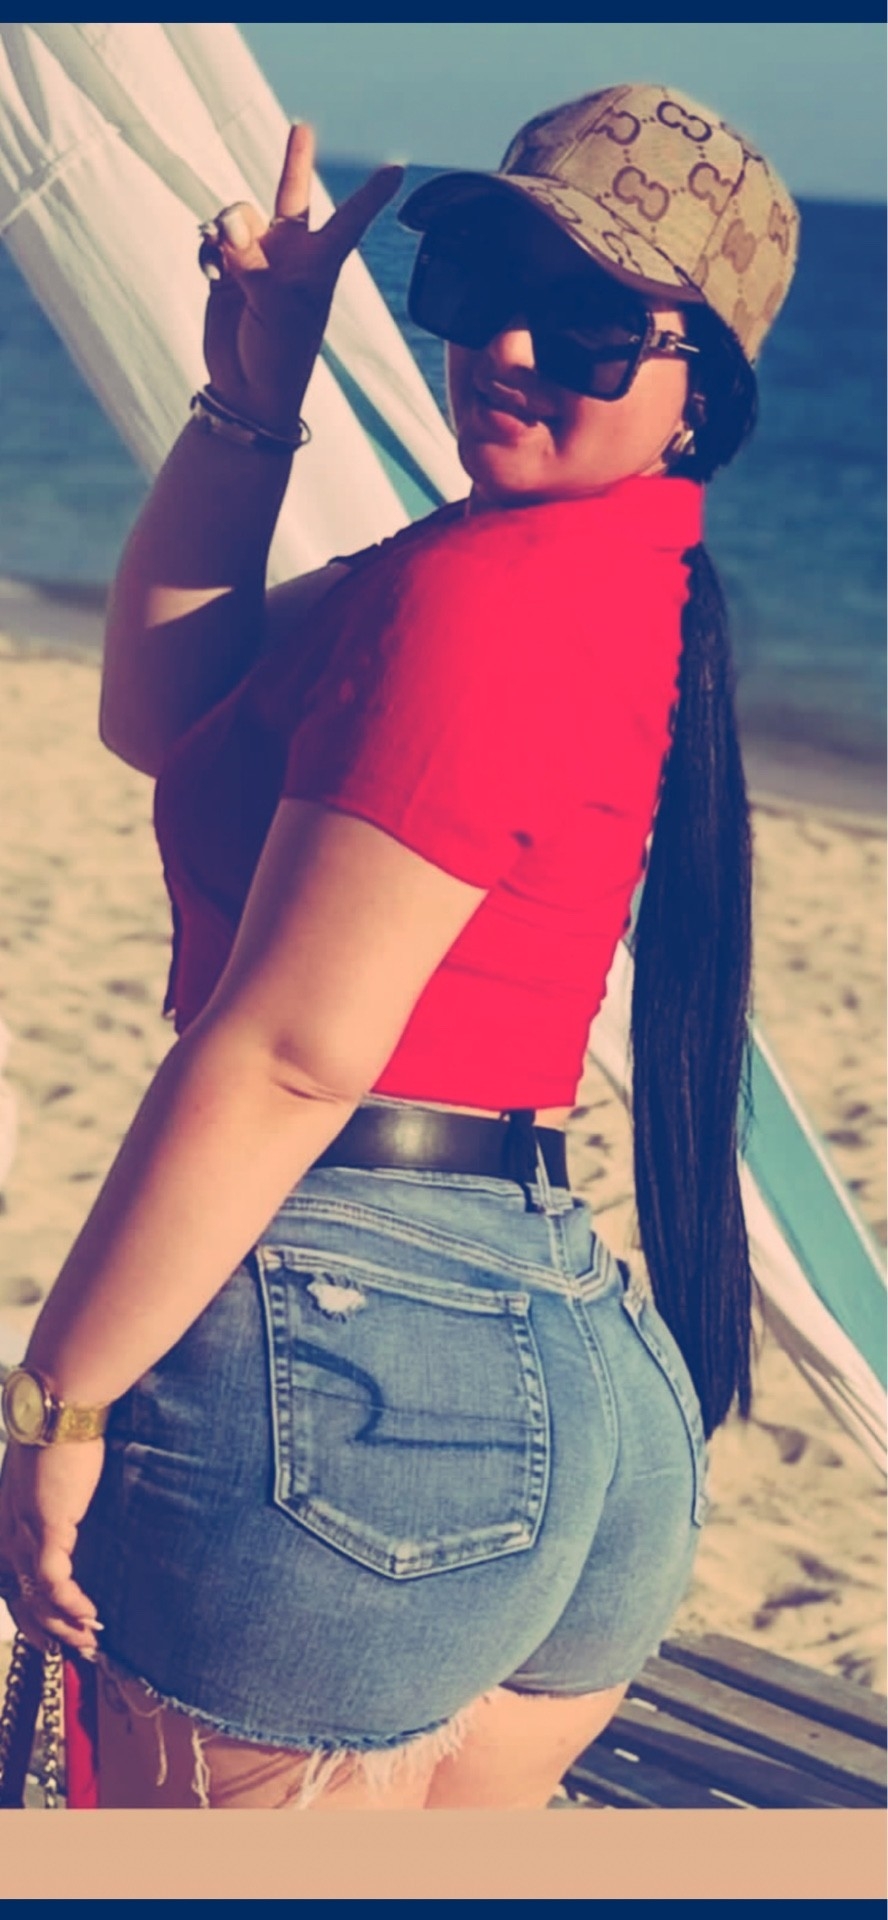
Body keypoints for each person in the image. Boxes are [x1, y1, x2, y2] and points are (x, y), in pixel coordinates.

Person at [0, 84, 798, 1810]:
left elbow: (296, 1053)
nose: (507, 345)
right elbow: (165, 708)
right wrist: (255, 394)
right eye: (481, 282)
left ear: (704, 392)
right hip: (573, 1367)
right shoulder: (577, 569)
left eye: (593, 327)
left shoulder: (496, 595)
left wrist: (60, 1399)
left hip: (355, 1371)